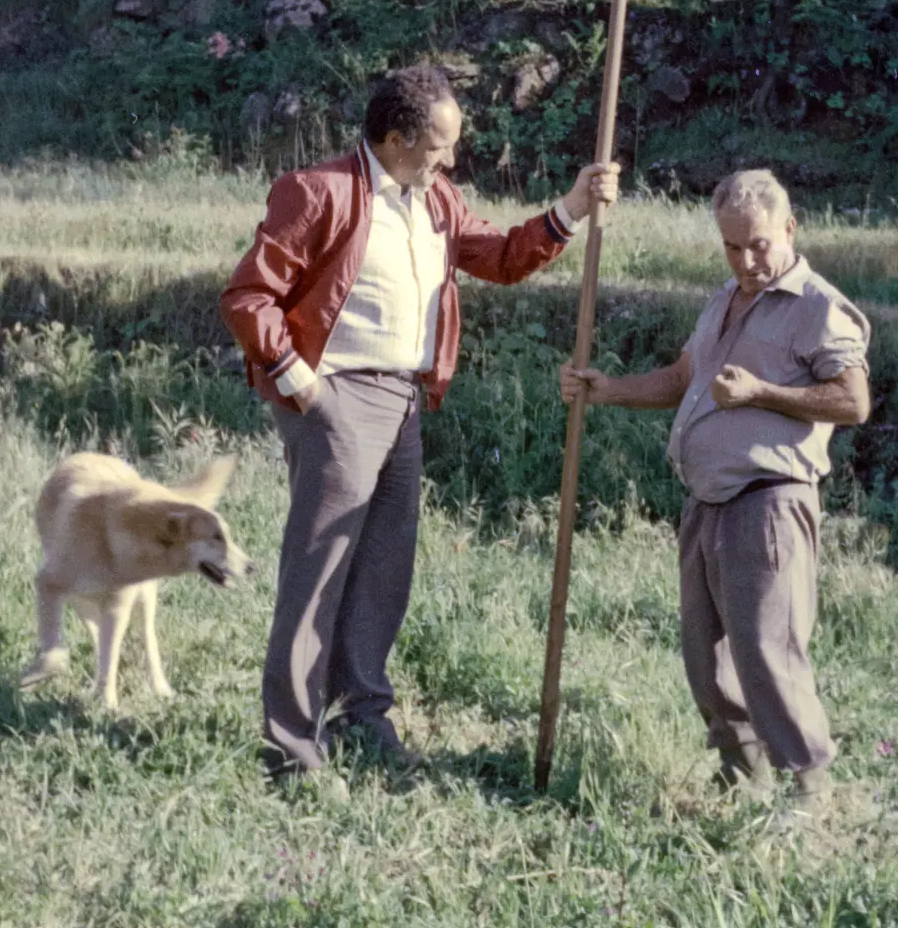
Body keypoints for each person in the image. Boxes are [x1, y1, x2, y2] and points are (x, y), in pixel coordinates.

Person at [223, 62, 618, 780]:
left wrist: (570, 209)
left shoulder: (435, 199)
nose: (451, 159)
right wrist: (298, 380)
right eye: (440, 145)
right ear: (399, 137)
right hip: (336, 395)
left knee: (382, 568)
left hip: (405, 400)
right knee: (319, 570)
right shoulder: (319, 191)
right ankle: (291, 746)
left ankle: (360, 714)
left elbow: (498, 256)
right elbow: (251, 295)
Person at [561, 168, 869, 808]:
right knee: (709, 657)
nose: (747, 259)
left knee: (767, 652)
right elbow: (683, 377)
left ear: (789, 228)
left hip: (770, 501)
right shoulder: (722, 298)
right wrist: (607, 389)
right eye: (732, 246)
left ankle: (807, 791)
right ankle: (741, 777)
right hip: (708, 502)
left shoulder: (817, 306)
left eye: (758, 244)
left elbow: (852, 400)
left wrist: (761, 392)